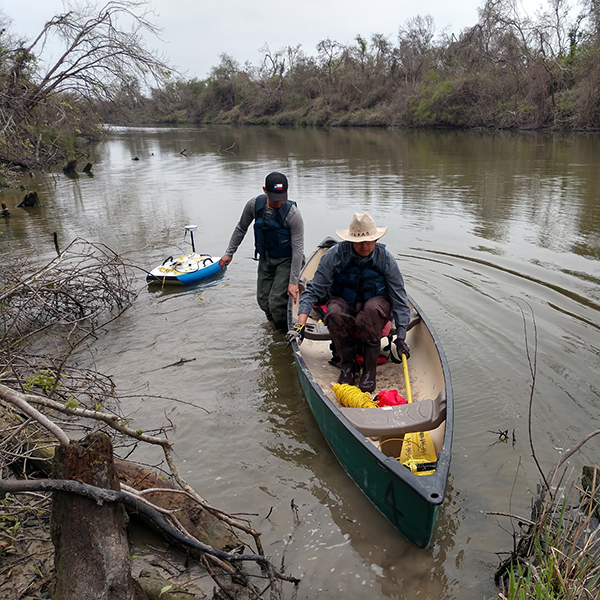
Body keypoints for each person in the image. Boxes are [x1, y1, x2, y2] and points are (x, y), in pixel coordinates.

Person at [287, 212, 411, 393]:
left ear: (376, 239)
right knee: (334, 312)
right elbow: (313, 290)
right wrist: (300, 324)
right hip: (345, 301)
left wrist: (401, 338)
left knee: (370, 311)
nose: (365, 245)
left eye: (370, 240)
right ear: (351, 240)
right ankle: (348, 366)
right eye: (360, 241)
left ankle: (369, 371)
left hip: (375, 308)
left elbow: (400, 301)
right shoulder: (334, 256)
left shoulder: (386, 260)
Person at [219, 172, 304, 332]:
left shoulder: (293, 214)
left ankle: (283, 333)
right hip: (266, 258)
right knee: (263, 300)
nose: (279, 201)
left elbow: (298, 250)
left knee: (276, 301)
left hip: (287, 260)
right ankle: (277, 324)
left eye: (282, 196)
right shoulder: (254, 206)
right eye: (274, 197)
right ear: (265, 190)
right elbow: (240, 228)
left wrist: (293, 282)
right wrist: (229, 253)